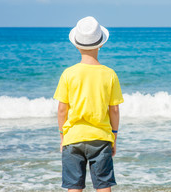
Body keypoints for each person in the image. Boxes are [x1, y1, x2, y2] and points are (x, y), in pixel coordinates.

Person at [53, 16, 124, 192]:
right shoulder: (109, 74)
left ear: (77, 45)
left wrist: (63, 136)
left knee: (74, 187)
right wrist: (113, 136)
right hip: (101, 138)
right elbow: (114, 110)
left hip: (73, 138)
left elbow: (62, 110)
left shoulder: (68, 74)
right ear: (100, 44)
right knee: (103, 185)